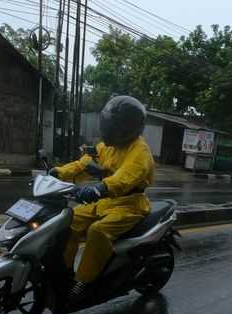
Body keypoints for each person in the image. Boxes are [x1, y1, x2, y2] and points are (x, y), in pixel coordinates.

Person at [50, 95, 155, 303]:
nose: (107, 132)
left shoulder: (140, 152)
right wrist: (58, 173)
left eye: (113, 128)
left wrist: (100, 188)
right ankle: (64, 272)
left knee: (97, 231)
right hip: (105, 201)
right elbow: (84, 164)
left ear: (128, 129)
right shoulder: (108, 146)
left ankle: (84, 281)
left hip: (129, 205)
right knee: (67, 221)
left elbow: (125, 177)